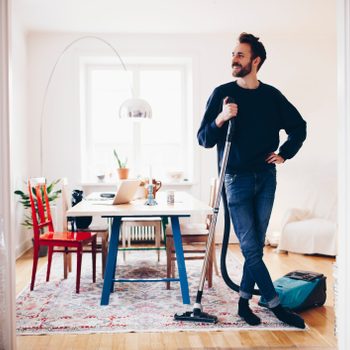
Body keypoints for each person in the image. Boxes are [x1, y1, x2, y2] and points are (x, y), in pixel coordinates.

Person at [197, 32, 307, 328]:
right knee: (250, 246)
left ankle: (244, 303)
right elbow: (204, 139)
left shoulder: (272, 96)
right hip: (235, 179)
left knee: (255, 244)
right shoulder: (223, 94)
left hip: (266, 178)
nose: (234, 59)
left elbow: (299, 127)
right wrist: (220, 118)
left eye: (241, 55)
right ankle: (274, 304)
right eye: (233, 54)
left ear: (255, 61)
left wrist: (285, 153)